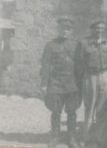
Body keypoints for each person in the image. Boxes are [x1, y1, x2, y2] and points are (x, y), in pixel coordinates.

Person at [40, 16, 82, 148]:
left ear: (71, 30)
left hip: (72, 83)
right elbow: (45, 65)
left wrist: (80, 84)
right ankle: (55, 136)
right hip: (55, 82)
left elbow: (80, 65)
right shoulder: (50, 45)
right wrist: (44, 83)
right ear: (59, 29)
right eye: (63, 28)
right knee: (56, 111)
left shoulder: (76, 45)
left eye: (68, 29)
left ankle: (72, 137)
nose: (65, 31)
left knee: (72, 111)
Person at [75, 20, 107, 147]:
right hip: (90, 76)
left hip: (104, 75)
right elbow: (79, 62)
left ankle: (100, 137)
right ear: (91, 29)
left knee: (103, 108)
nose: (99, 30)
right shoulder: (84, 43)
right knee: (89, 107)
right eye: (97, 28)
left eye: (102, 28)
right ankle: (85, 137)